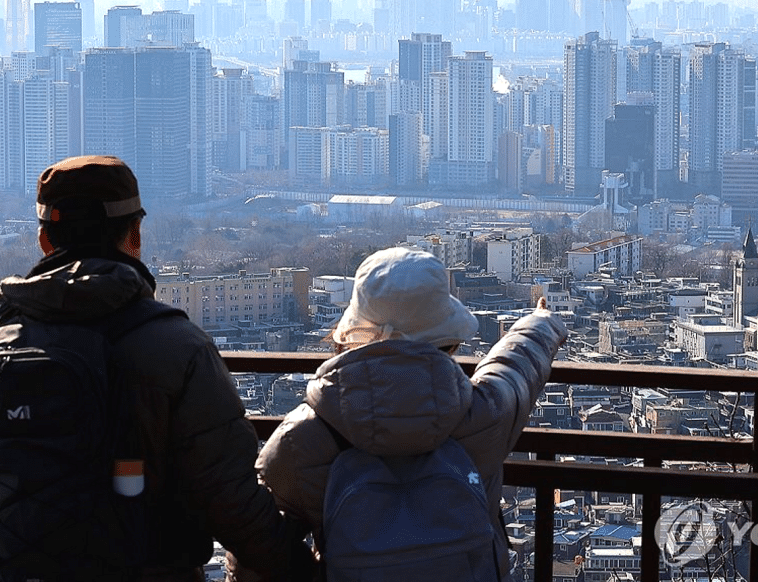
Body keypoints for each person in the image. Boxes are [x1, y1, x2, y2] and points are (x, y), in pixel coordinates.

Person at [0, 155, 313, 582]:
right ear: (135, 234)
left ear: (44, 240)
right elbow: (231, 498)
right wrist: (303, 567)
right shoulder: (175, 346)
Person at [234, 246, 568, 581]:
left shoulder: (303, 439)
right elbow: (514, 368)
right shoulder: (480, 416)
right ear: (448, 338)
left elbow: (255, 541)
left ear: (353, 331)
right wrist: (540, 323)